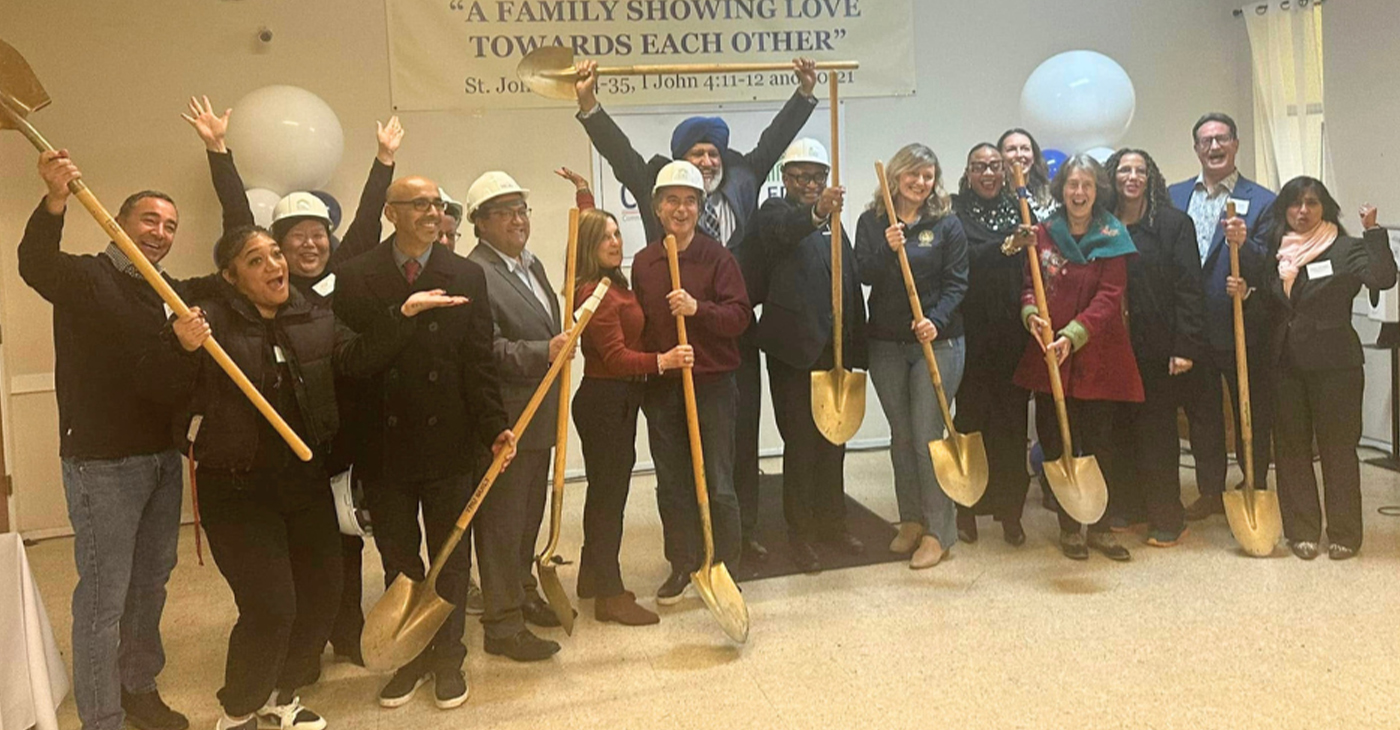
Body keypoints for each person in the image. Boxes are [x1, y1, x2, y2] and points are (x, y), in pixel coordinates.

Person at [160, 226, 464, 730]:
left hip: (302, 481)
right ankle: (239, 708)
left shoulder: (311, 315)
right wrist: (181, 347)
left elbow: (358, 357)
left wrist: (402, 316)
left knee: (321, 593)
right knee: (271, 603)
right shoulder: (209, 323)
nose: (275, 265)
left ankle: (281, 694)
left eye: (274, 255)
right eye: (255, 261)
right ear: (230, 278)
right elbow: (161, 385)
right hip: (235, 486)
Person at [183, 95, 404, 666]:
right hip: (280, 446)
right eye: (294, 238)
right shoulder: (262, 290)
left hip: (336, 435)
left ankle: (345, 631)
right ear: (273, 249)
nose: (308, 246)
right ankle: (290, 641)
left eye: (317, 235)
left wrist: (383, 163)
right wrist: (218, 151)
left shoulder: (341, 279)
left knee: (345, 543)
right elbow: (237, 220)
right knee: (292, 556)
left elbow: (365, 221)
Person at [573, 57, 820, 564]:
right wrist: (589, 106)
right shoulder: (656, 188)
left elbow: (775, 139)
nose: (707, 161)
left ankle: (740, 532)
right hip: (670, 345)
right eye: (696, 153)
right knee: (674, 461)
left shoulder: (747, 175)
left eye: (713, 153)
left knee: (739, 439)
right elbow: (619, 154)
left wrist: (805, 93)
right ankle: (683, 556)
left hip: (732, 336)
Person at [18, 151, 190, 730]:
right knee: (103, 598)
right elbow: (35, 263)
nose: (161, 232)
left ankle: (138, 687)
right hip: (102, 465)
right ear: (118, 222)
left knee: (151, 582)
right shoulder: (86, 277)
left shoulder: (164, 293)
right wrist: (56, 199)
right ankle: (102, 718)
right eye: (149, 220)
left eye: (169, 225)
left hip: (162, 458)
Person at [334, 176, 513, 710]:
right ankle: (407, 654)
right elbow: (353, 364)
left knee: (451, 556)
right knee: (399, 556)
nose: (433, 212)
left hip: (450, 439)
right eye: (420, 204)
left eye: (438, 203)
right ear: (391, 213)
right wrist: (404, 315)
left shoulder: (466, 275)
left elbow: (478, 361)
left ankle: (449, 656)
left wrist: (493, 426)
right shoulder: (355, 276)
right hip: (383, 447)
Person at [1008, 154, 1143, 561]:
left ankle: (1100, 526)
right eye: (1072, 185)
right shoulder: (1044, 233)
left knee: (1100, 441)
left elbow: (1110, 296)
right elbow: (1030, 283)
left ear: (1097, 190)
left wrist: (1074, 334)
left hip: (1097, 353)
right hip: (1050, 354)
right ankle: (1070, 526)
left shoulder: (1112, 233)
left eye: (1086, 185)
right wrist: (1031, 314)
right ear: (1061, 189)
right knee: (1056, 439)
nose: (1079, 192)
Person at [1252, 182, 1396, 559]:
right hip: (1284, 364)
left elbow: (1383, 278)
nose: (1303, 211)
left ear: (1325, 208)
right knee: (1290, 449)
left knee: (1337, 449)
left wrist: (1374, 232)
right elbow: (1271, 303)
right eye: (1295, 204)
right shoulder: (1275, 251)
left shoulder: (1347, 248)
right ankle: (1301, 530)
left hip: (1335, 366)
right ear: (1284, 210)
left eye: (1312, 203)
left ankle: (1345, 534)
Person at [462, 171, 571, 661]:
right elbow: (483, 350)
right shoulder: (476, 273)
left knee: (527, 517)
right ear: (479, 224)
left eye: (521, 209)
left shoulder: (533, 265)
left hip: (540, 414)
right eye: (503, 211)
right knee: (503, 524)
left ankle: (523, 590)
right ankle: (501, 625)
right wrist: (542, 351)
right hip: (506, 421)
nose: (517, 219)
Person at [631, 161, 750, 603]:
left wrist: (698, 309)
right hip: (665, 388)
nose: (680, 209)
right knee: (672, 482)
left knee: (718, 479)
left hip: (712, 385)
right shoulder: (644, 262)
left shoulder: (718, 258)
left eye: (689, 201)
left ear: (700, 208)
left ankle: (724, 565)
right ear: (657, 208)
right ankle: (682, 563)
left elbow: (739, 317)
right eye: (672, 201)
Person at [750, 138, 867, 573]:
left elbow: (848, 278)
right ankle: (799, 534)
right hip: (794, 351)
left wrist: (855, 340)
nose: (810, 184)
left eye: (817, 177)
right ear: (786, 177)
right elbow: (784, 233)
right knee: (800, 443)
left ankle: (831, 522)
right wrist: (818, 212)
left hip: (835, 349)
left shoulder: (834, 221)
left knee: (834, 441)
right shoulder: (774, 214)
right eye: (801, 176)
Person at [570, 201, 690, 624]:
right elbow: (617, 357)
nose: (615, 242)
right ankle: (609, 594)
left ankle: (591, 576)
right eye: (604, 237)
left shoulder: (610, 282)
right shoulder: (594, 293)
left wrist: (585, 195)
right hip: (606, 400)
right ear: (588, 245)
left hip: (614, 400)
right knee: (609, 500)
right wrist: (665, 360)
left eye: (617, 233)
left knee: (604, 494)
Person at [856, 143, 968, 569]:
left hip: (937, 343)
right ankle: (911, 520)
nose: (921, 183)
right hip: (886, 342)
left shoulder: (946, 225)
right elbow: (862, 273)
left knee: (926, 437)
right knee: (900, 437)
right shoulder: (873, 221)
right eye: (914, 175)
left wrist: (935, 320)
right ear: (896, 176)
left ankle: (940, 530)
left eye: (928, 176)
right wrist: (886, 247)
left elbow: (957, 283)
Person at [1168, 112, 1277, 520]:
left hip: (1240, 327)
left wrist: (1245, 246)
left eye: (1222, 139)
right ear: (1196, 148)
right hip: (1191, 329)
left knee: (1252, 408)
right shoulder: (1175, 195)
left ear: (1236, 143)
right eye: (1206, 141)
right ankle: (1211, 491)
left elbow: (1268, 265)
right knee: (1203, 416)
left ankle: (1254, 483)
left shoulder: (1263, 200)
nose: (1214, 147)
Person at [1102, 148, 1206, 547]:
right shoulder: (1104, 225)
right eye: (1124, 170)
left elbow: (1188, 289)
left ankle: (1167, 517)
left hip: (1158, 346)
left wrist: (1185, 346)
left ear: (1151, 177)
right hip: (1113, 346)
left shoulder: (1173, 224)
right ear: (1113, 177)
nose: (1132, 176)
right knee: (1122, 430)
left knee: (1157, 433)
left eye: (1140, 170)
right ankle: (1130, 508)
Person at [951, 143, 1032, 546]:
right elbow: (965, 254)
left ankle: (1011, 513)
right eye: (979, 166)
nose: (988, 173)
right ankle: (965, 510)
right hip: (969, 332)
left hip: (1012, 333)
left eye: (995, 166)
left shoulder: (1020, 206)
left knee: (1012, 426)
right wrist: (1007, 246)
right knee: (969, 421)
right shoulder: (953, 210)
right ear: (967, 172)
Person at [999, 129, 1059, 221]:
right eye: (1011, 149)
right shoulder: (996, 197)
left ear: (1034, 156)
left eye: (1025, 149)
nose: (1019, 155)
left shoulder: (1052, 192)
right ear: (1000, 157)